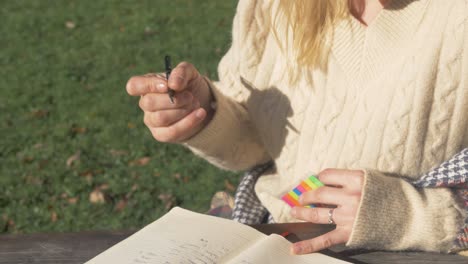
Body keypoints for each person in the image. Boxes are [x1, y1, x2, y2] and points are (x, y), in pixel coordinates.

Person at [126, 0, 468, 255]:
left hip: (411, 255)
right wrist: (204, 113)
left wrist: (406, 216)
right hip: (277, 236)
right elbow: (259, 138)